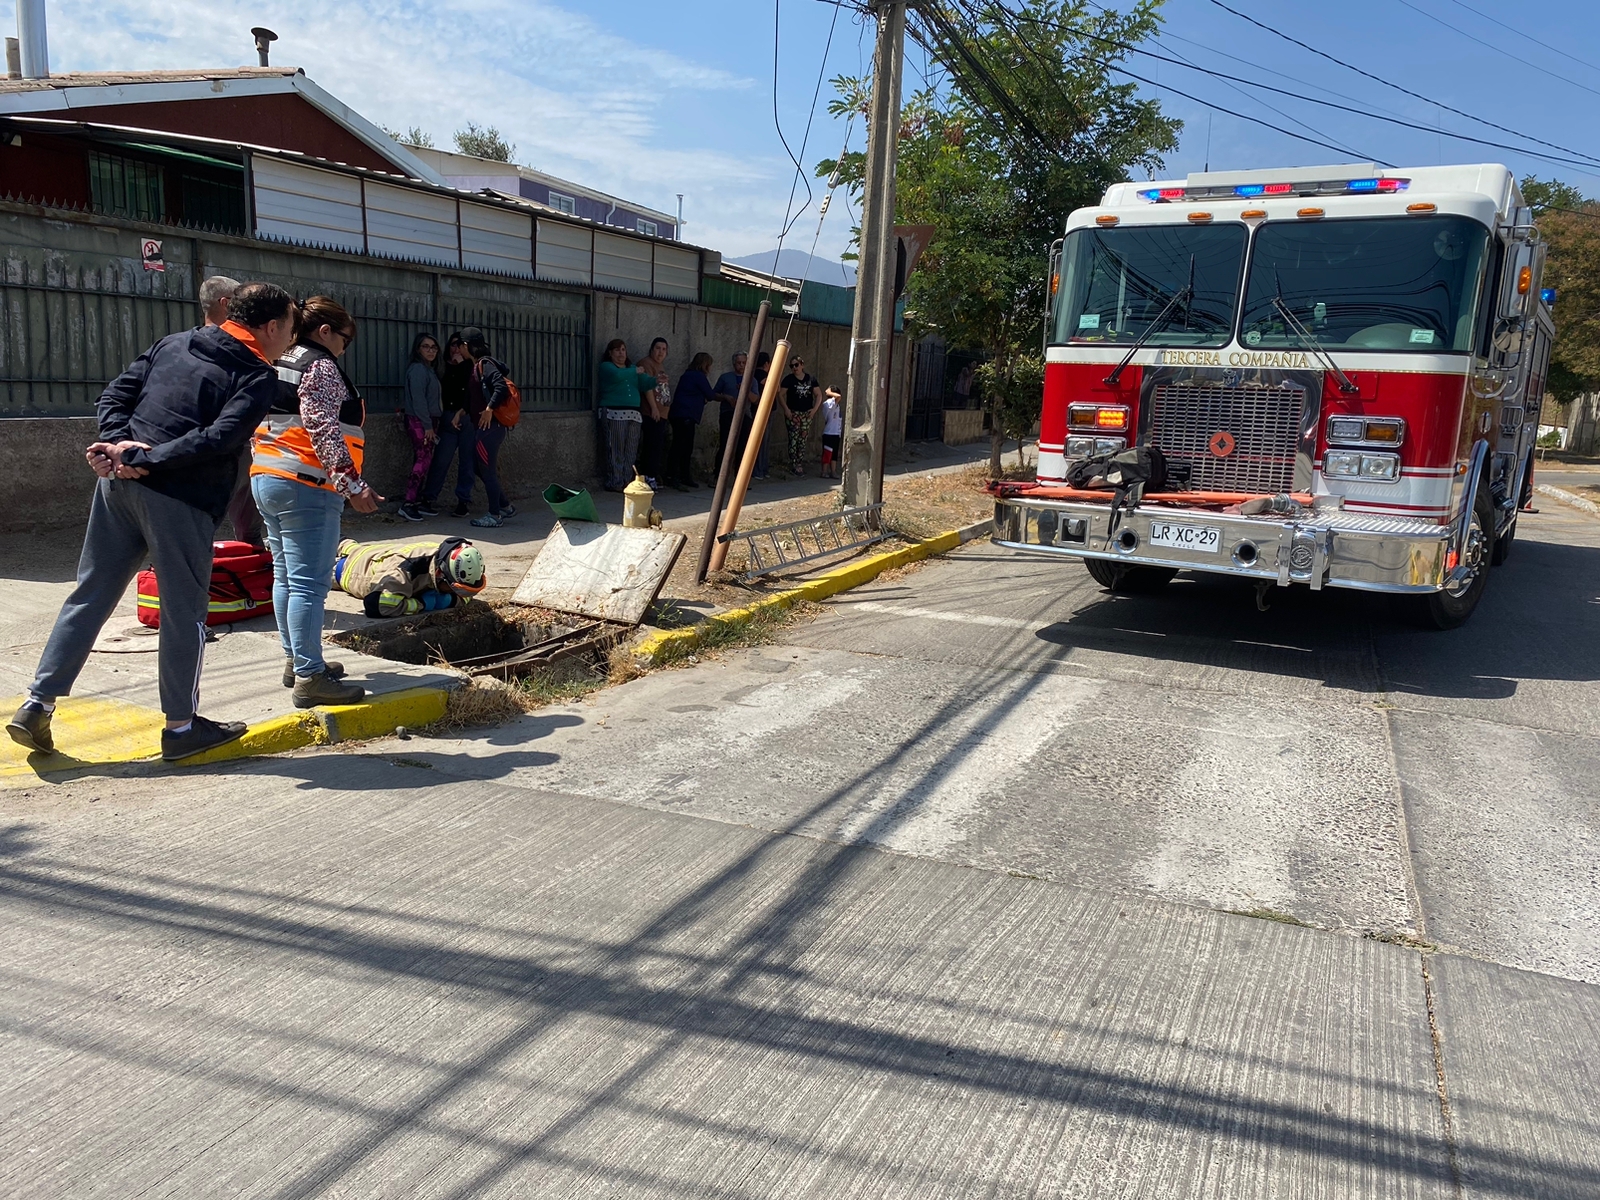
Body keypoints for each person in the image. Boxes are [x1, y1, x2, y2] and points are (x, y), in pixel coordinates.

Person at [5, 281, 297, 761]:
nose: (289, 339)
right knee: (184, 613)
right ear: (269, 327)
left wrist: (118, 447)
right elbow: (222, 437)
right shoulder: (256, 373)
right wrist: (149, 457)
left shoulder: (175, 342)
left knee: (90, 594)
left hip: (119, 486)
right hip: (180, 498)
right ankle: (181, 729)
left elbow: (115, 395)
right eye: (288, 329)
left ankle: (38, 703)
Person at [251, 295, 380, 709]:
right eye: (345, 339)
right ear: (325, 331)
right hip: (307, 486)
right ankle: (310, 677)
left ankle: (297, 660)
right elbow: (322, 426)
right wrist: (353, 486)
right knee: (309, 585)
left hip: (268, 478)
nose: (344, 348)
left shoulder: (279, 359)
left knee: (287, 577)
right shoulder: (319, 366)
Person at [203, 275, 263, 549]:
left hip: (231, 443)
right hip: (226, 446)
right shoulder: (237, 348)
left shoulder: (186, 343)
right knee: (213, 519)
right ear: (226, 304)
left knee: (246, 527)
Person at [331, 534, 486, 617]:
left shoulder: (444, 557)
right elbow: (376, 606)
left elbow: (465, 595)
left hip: (367, 552)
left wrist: (450, 600)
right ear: (439, 574)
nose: (458, 595)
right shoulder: (403, 572)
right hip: (343, 569)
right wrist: (423, 604)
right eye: (455, 590)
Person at [459, 327, 517, 528]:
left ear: (466, 345)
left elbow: (500, 387)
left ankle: (495, 515)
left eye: (460, 344)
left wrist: (489, 409)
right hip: (484, 428)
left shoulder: (485, 364)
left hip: (490, 429)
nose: (458, 349)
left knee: (487, 470)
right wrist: (463, 411)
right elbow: (475, 396)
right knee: (478, 467)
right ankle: (504, 506)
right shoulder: (477, 366)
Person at [418, 333, 471, 517]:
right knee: (441, 459)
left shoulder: (470, 365)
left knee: (467, 461)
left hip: (466, 417)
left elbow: (469, 389)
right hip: (448, 417)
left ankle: (463, 501)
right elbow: (446, 388)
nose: (455, 349)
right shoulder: (442, 367)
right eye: (452, 345)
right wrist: (454, 366)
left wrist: (462, 365)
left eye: (459, 345)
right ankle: (428, 497)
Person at [397, 332, 442, 521]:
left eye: (433, 347)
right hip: (419, 421)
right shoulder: (417, 370)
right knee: (422, 461)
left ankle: (416, 501)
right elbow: (419, 400)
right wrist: (427, 426)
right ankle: (408, 503)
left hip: (428, 421)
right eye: (426, 347)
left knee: (425, 460)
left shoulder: (429, 370)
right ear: (418, 349)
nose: (430, 351)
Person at [598, 338, 653, 491]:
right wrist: (635, 371)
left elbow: (645, 383)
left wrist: (656, 381)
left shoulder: (632, 368)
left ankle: (627, 482)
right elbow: (617, 376)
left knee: (630, 450)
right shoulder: (607, 367)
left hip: (634, 414)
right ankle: (615, 481)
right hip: (614, 413)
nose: (621, 353)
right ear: (610, 353)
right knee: (616, 448)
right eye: (617, 350)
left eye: (623, 349)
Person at [668, 352, 716, 490]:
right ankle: (675, 476)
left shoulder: (687, 375)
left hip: (680, 414)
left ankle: (680, 475)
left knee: (681, 446)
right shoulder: (698, 376)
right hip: (686, 415)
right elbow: (710, 394)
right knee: (682, 447)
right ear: (705, 365)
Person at [778, 353, 824, 477]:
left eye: (796, 365)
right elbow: (780, 394)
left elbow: (819, 394)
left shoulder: (810, 379)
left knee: (802, 440)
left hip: (806, 413)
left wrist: (814, 410)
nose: (794, 368)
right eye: (792, 366)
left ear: (802, 365)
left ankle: (799, 463)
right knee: (793, 439)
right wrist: (786, 409)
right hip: (793, 413)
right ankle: (794, 464)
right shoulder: (788, 379)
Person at [635, 337, 670, 489]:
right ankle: (648, 477)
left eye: (664, 349)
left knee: (658, 446)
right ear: (651, 349)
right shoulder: (646, 363)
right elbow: (646, 386)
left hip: (663, 414)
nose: (660, 352)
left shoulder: (660, 365)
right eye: (658, 348)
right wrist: (654, 408)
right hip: (651, 413)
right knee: (651, 446)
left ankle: (653, 475)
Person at [713, 352, 748, 478]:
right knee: (725, 445)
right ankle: (718, 476)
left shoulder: (751, 379)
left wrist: (745, 392)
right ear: (734, 364)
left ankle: (740, 478)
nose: (741, 365)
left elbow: (756, 399)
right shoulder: (725, 378)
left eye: (744, 363)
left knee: (742, 447)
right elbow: (714, 394)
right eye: (739, 363)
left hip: (745, 416)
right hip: (728, 413)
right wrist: (726, 397)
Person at [750, 351, 772, 479]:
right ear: (766, 364)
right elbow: (775, 387)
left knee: (761, 440)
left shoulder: (753, 375)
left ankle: (761, 469)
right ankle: (760, 470)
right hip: (764, 409)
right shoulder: (763, 375)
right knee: (763, 441)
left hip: (758, 408)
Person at [818, 385, 845, 479]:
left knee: (834, 454)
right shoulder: (828, 403)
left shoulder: (836, 405)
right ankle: (824, 471)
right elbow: (838, 397)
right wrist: (828, 392)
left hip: (836, 433)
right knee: (827, 453)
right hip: (829, 433)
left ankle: (833, 471)